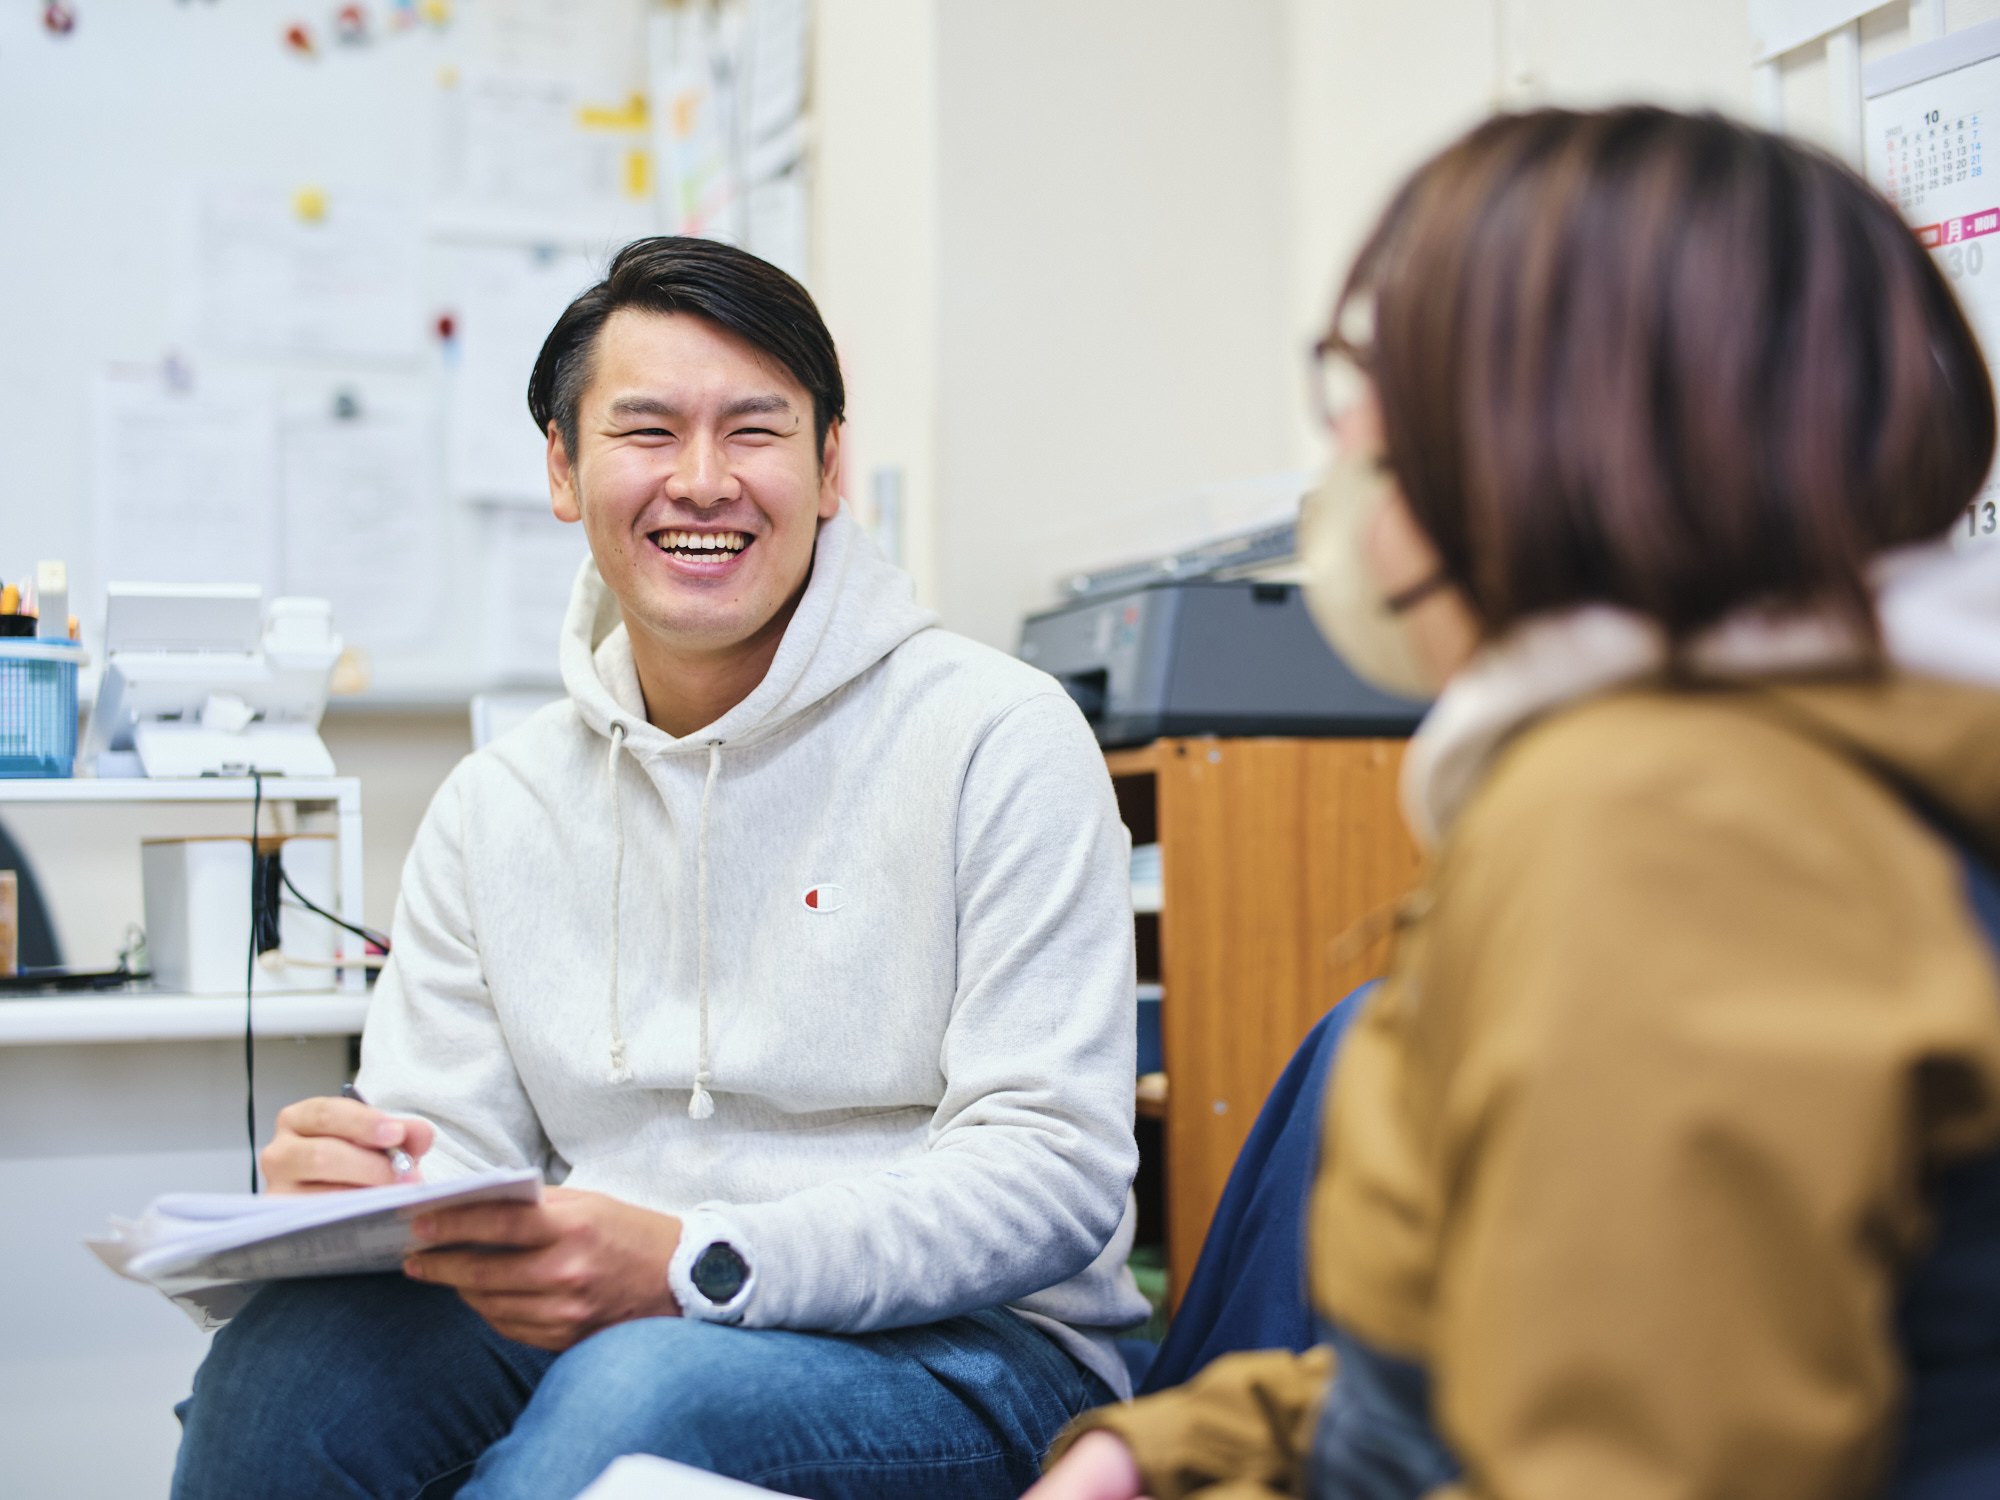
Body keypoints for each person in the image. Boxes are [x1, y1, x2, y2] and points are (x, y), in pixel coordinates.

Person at [1032, 106, 2000, 1500]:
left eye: (1374, 377)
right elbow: (1504, 1365)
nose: (1350, 445)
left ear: (1550, 427)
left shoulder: (1661, 822)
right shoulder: (1755, 765)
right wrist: (1169, 1448)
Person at [172, 236, 1150, 1500]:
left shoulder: (995, 738)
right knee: (289, 1374)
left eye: (754, 430)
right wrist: (360, 1190)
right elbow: (455, 1157)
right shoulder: (497, 805)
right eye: (646, 431)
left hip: (974, 1357)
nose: (702, 482)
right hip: (612, 1326)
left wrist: (699, 1263)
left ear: (828, 466)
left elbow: (1051, 1172)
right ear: (564, 470)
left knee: (636, 1403)